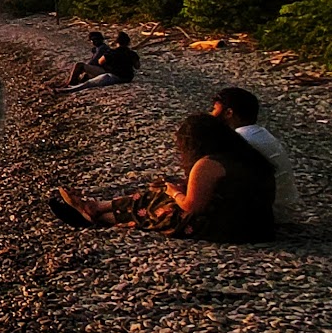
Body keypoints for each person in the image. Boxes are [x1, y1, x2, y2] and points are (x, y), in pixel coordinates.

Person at [49, 113, 276, 241]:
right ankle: (96, 207)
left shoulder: (208, 163)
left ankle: (99, 217)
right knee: (159, 193)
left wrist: (175, 191)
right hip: (257, 225)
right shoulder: (243, 155)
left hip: (230, 229)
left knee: (161, 207)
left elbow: (192, 207)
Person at [212, 85, 301, 223]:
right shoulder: (259, 133)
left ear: (229, 112)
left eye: (215, 109)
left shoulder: (240, 139)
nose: (212, 114)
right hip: (283, 206)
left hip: (267, 211)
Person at [61, 31, 139, 92]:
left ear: (116, 42)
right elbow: (137, 66)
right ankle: (72, 86)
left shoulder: (112, 52)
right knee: (88, 79)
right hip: (128, 77)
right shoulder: (132, 53)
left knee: (89, 83)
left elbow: (100, 62)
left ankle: (68, 88)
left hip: (114, 76)